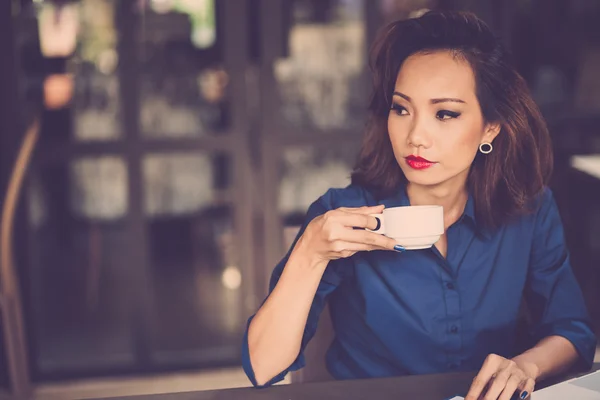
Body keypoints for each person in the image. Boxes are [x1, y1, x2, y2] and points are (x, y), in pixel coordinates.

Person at [242, 10, 597, 400]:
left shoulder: (529, 211)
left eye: (445, 113)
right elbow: (263, 368)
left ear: (490, 127)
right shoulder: (343, 214)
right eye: (401, 109)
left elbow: (573, 332)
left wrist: (526, 365)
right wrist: (310, 251)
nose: (415, 136)